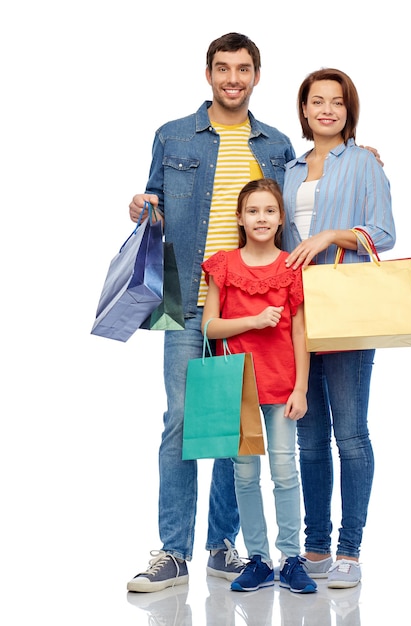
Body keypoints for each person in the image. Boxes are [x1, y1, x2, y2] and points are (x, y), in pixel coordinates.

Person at [125, 33, 296, 593]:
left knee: (232, 424)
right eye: (223, 68)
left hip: (251, 304)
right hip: (182, 296)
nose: (232, 78)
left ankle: (222, 545)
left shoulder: (274, 144)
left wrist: (355, 153)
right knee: (180, 419)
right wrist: (141, 205)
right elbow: (154, 199)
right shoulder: (172, 135)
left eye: (243, 69)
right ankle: (173, 553)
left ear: (256, 76)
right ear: (208, 74)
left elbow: (293, 207)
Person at [282, 68, 396, 589]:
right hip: (298, 314)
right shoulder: (287, 170)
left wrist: (334, 234)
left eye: (337, 102)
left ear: (349, 111)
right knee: (308, 437)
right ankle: (316, 545)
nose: (326, 109)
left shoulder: (365, 164)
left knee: (350, 433)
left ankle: (350, 549)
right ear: (304, 110)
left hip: (346, 307)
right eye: (316, 101)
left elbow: (384, 232)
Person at [201, 178, 316, 594]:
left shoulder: (291, 267)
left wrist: (301, 388)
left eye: (269, 211)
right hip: (238, 390)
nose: (261, 218)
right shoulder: (224, 265)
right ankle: (259, 560)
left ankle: (291, 558)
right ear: (240, 218)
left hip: (282, 386)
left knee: (286, 473)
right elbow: (209, 325)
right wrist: (253, 320)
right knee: (245, 476)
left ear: (281, 218)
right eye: (253, 211)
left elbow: (301, 333)